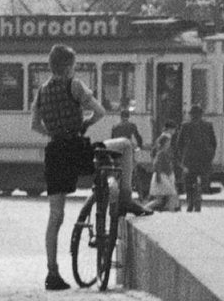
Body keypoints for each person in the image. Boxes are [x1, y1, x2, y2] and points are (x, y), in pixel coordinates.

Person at [30, 44, 151, 291]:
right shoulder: (74, 84)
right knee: (125, 146)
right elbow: (100, 111)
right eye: (73, 65)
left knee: (55, 216)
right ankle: (126, 199)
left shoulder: (41, 92)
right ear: (68, 66)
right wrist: (84, 124)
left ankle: (52, 273)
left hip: (55, 153)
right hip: (78, 150)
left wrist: (54, 132)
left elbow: (35, 125)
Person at [176, 105, 217, 212]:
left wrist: (182, 158)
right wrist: (210, 156)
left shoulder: (185, 126)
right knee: (201, 181)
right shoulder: (208, 125)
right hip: (204, 159)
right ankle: (198, 200)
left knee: (188, 182)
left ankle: (190, 202)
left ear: (191, 115)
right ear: (201, 115)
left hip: (189, 159)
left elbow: (179, 144)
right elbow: (214, 143)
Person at [111, 109, 146, 199]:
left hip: (118, 151)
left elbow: (112, 139)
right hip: (128, 150)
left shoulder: (115, 126)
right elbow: (138, 137)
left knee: (118, 172)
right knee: (134, 172)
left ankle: (115, 193)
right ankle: (140, 195)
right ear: (128, 116)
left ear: (120, 116)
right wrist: (139, 146)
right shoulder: (131, 126)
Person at [145, 134, 180, 212]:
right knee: (172, 194)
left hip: (163, 176)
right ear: (164, 143)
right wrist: (159, 177)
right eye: (168, 142)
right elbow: (157, 165)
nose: (169, 144)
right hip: (161, 176)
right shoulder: (161, 153)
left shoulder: (164, 152)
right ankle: (172, 212)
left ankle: (143, 209)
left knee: (159, 200)